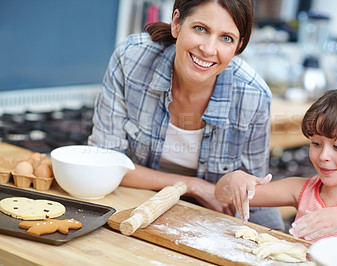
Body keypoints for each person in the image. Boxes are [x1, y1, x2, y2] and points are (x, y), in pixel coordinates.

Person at [88, 0, 284, 230]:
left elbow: (252, 195)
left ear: (239, 46)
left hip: (210, 218)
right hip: (135, 203)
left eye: (226, 38)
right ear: (176, 23)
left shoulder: (253, 95)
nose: (209, 49)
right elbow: (105, 163)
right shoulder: (132, 59)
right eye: (200, 29)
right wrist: (192, 185)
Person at [215, 89, 337, 242]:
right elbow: (222, 195)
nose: (323, 156)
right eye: (316, 144)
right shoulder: (302, 190)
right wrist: (234, 178)